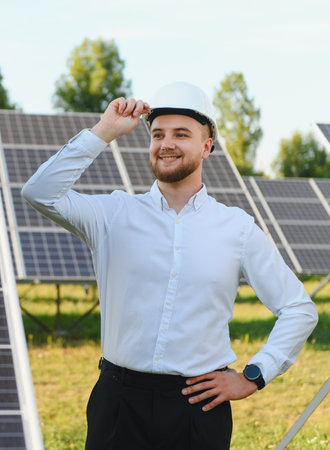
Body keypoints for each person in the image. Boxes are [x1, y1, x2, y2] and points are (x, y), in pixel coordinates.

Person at [22, 81, 318, 450]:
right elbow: (38, 192)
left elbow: (298, 309)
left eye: (182, 134)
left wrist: (254, 375)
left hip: (198, 407)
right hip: (117, 403)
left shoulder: (237, 228)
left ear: (206, 146)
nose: (167, 144)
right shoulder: (113, 214)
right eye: (158, 134)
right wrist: (104, 132)